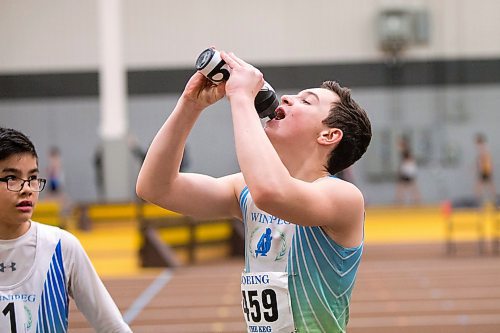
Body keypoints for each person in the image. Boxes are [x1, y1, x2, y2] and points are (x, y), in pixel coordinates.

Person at [136, 51, 372, 333]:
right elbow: (155, 187)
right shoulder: (246, 191)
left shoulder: (343, 197)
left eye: (306, 101)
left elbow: (273, 193)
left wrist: (241, 99)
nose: (286, 98)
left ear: (329, 136)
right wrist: (189, 106)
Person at [0, 127, 131, 332]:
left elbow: (113, 326)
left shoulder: (61, 247)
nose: (26, 188)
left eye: (33, 177)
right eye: (11, 178)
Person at [395, 136, 421, 205]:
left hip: (407, 171)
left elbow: (409, 161)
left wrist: (403, 169)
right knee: (409, 186)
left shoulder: (406, 151)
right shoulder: (406, 151)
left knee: (404, 186)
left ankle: (401, 201)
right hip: (408, 171)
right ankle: (415, 200)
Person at [475, 133, 496, 202]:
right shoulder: (483, 148)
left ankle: (478, 201)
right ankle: (495, 199)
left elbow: (484, 159)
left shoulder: (482, 148)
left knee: (482, 185)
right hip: (486, 169)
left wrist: (481, 167)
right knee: (488, 185)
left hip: (485, 169)